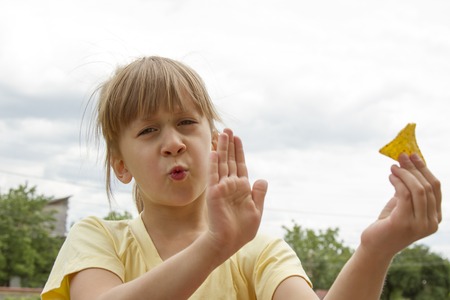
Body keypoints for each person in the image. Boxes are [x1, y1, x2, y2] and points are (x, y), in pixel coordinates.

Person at [41, 56, 442, 300]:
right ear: (120, 164)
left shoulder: (260, 252)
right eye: (148, 130)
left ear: (213, 142)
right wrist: (216, 245)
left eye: (186, 122)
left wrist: (375, 250)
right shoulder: (96, 238)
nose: (173, 143)